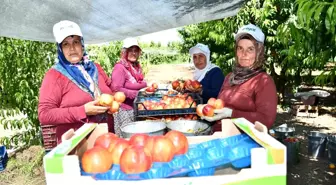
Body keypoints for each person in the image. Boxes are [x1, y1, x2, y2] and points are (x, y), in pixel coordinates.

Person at [38, 20, 115, 147]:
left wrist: (113, 101)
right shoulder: (54, 75)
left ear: (82, 45)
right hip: (77, 146)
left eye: (76, 42)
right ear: (60, 49)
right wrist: (82, 111)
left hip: (106, 139)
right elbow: (44, 114)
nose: (72, 48)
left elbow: (110, 89)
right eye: (66, 44)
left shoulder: (95, 68)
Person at [202, 23, 278, 131]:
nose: (244, 54)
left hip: (244, 142)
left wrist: (231, 113)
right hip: (220, 137)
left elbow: (266, 120)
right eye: (240, 48)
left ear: (259, 52)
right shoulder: (229, 77)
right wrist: (210, 111)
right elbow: (218, 106)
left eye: (250, 49)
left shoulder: (263, 81)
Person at [111, 38, 147, 136]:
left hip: (135, 107)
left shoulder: (136, 67)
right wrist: (136, 94)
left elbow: (139, 83)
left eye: (136, 50)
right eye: (130, 50)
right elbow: (116, 89)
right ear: (124, 52)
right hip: (124, 110)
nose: (133, 53)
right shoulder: (120, 67)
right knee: (127, 137)